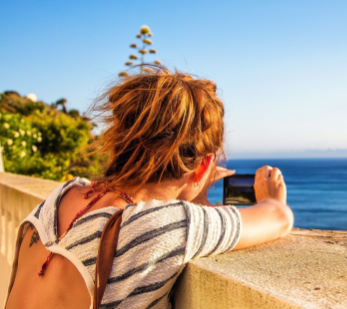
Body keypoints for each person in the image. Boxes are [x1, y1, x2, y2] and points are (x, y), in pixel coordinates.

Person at [4, 66, 294, 309]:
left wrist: (197, 191)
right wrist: (272, 198)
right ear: (204, 166)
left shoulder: (62, 196)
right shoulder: (161, 227)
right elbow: (279, 217)